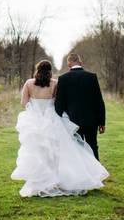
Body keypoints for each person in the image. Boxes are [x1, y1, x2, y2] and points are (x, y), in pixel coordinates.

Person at [10, 59, 109, 197]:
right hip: (51, 120)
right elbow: (59, 102)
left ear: (37, 70)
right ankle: (56, 180)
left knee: (37, 152)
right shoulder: (55, 83)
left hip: (35, 120)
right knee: (55, 152)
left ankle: (40, 181)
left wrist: (36, 108)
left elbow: (24, 103)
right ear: (50, 71)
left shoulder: (28, 83)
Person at [53, 52, 107, 160]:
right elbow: (99, 101)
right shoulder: (92, 77)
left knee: (77, 147)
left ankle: (82, 173)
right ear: (80, 62)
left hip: (72, 120)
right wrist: (102, 122)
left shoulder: (63, 79)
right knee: (93, 145)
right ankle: (96, 172)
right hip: (91, 120)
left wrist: (59, 120)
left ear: (69, 64)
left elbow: (59, 103)